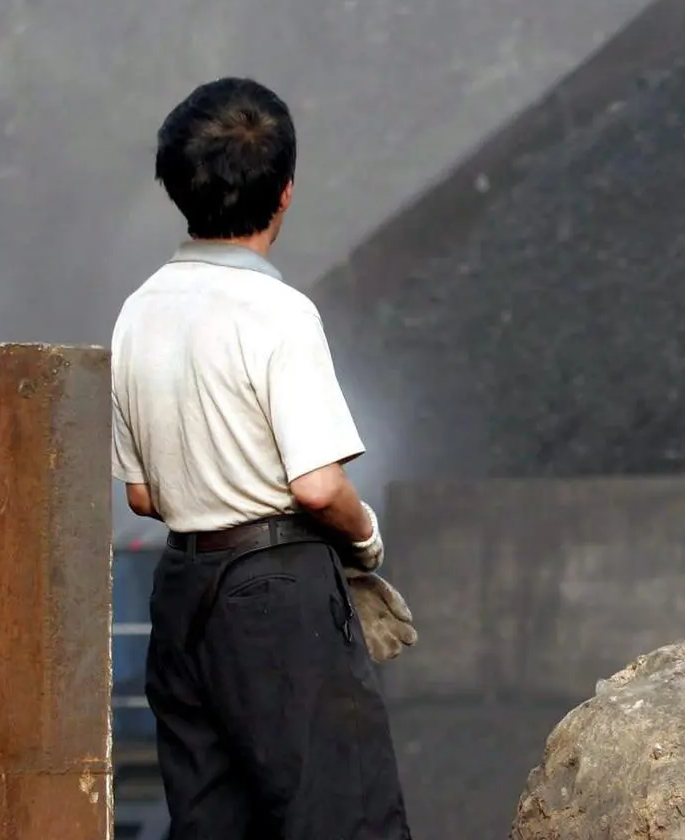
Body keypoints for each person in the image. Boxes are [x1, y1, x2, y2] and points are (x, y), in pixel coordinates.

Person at [111, 76, 413, 839]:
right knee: (342, 817)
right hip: (277, 595)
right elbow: (317, 487)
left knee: (212, 821)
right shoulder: (278, 314)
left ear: (175, 186)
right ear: (284, 193)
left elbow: (144, 498)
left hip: (184, 596)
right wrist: (366, 538)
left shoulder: (138, 311)